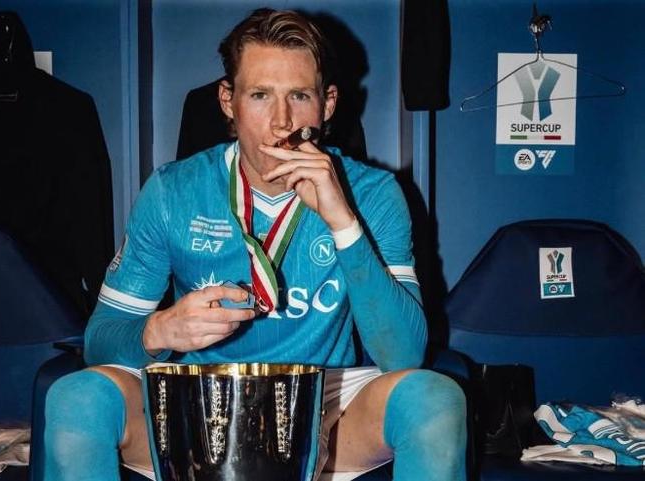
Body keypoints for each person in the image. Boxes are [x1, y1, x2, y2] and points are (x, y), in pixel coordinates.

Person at [43, 8, 466, 481]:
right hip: (196, 398)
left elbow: (404, 355)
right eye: (260, 95)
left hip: (324, 400)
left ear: (327, 104)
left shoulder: (373, 194)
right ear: (229, 101)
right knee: (76, 397)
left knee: (434, 399)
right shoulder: (172, 191)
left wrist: (343, 222)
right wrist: (159, 331)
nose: (281, 121)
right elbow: (100, 342)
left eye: (299, 96)